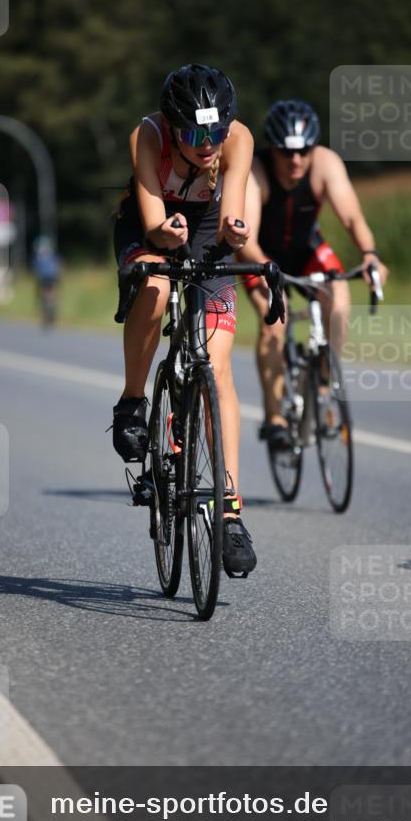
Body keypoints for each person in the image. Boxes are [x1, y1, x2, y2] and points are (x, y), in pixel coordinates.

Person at [112, 63, 258, 576]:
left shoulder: (238, 139)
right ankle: (133, 401)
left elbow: (230, 213)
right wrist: (162, 236)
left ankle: (230, 512)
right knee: (153, 288)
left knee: (217, 372)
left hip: (201, 231)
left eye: (215, 132)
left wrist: (237, 233)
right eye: (196, 134)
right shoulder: (148, 135)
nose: (208, 143)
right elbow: (152, 222)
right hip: (150, 224)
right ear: (173, 125)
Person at [239, 99, 389, 445]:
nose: (295, 160)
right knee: (274, 320)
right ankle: (275, 417)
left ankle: (322, 385)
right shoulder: (255, 171)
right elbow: (245, 234)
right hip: (260, 255)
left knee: (338, 299)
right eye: (286, 152)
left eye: (303, 151)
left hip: (306, 249)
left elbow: (352, 217)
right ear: (271, 148)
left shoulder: (325, 163)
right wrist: (265, 268)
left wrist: (369, 255)